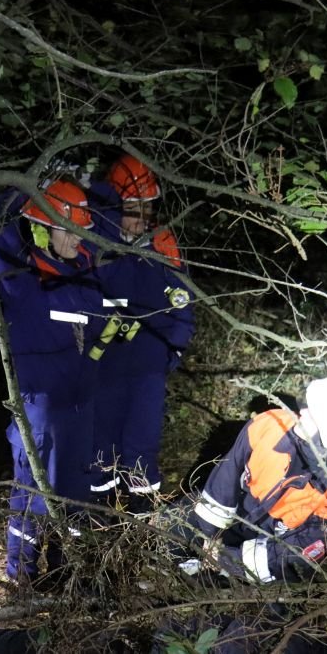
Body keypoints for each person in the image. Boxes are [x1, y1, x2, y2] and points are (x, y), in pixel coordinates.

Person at [0, 179, 103, 584]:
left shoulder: (88, 267)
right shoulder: (23, 278)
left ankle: (68, 577)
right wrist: (28, 185)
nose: (75, 238)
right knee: (32, 499)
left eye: (79, 228)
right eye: (64, 229)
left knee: (76, 501)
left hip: (81, 405)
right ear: (39, 230)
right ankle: (23, 580)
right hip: (39, 407)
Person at [177, 377, 327, 584]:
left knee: (277, 609)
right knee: (174, 521)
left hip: (268, 547)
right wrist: (209, 537)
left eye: (311, 413)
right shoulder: (270, 425)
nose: (301, 411)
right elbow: (225, 480)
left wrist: (228, 561)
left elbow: (299, 549)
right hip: (232, 513)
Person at [86, 154, 196, 510]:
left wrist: (171, 352)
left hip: (147, 364)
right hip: (103, 361)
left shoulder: (163, 242)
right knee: (99, 447)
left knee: (141, 447)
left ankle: (141, 527)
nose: (141, 217)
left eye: (147, 207)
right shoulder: (94, 239)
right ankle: (97, 527)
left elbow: (184, 304)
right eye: (133, 207)